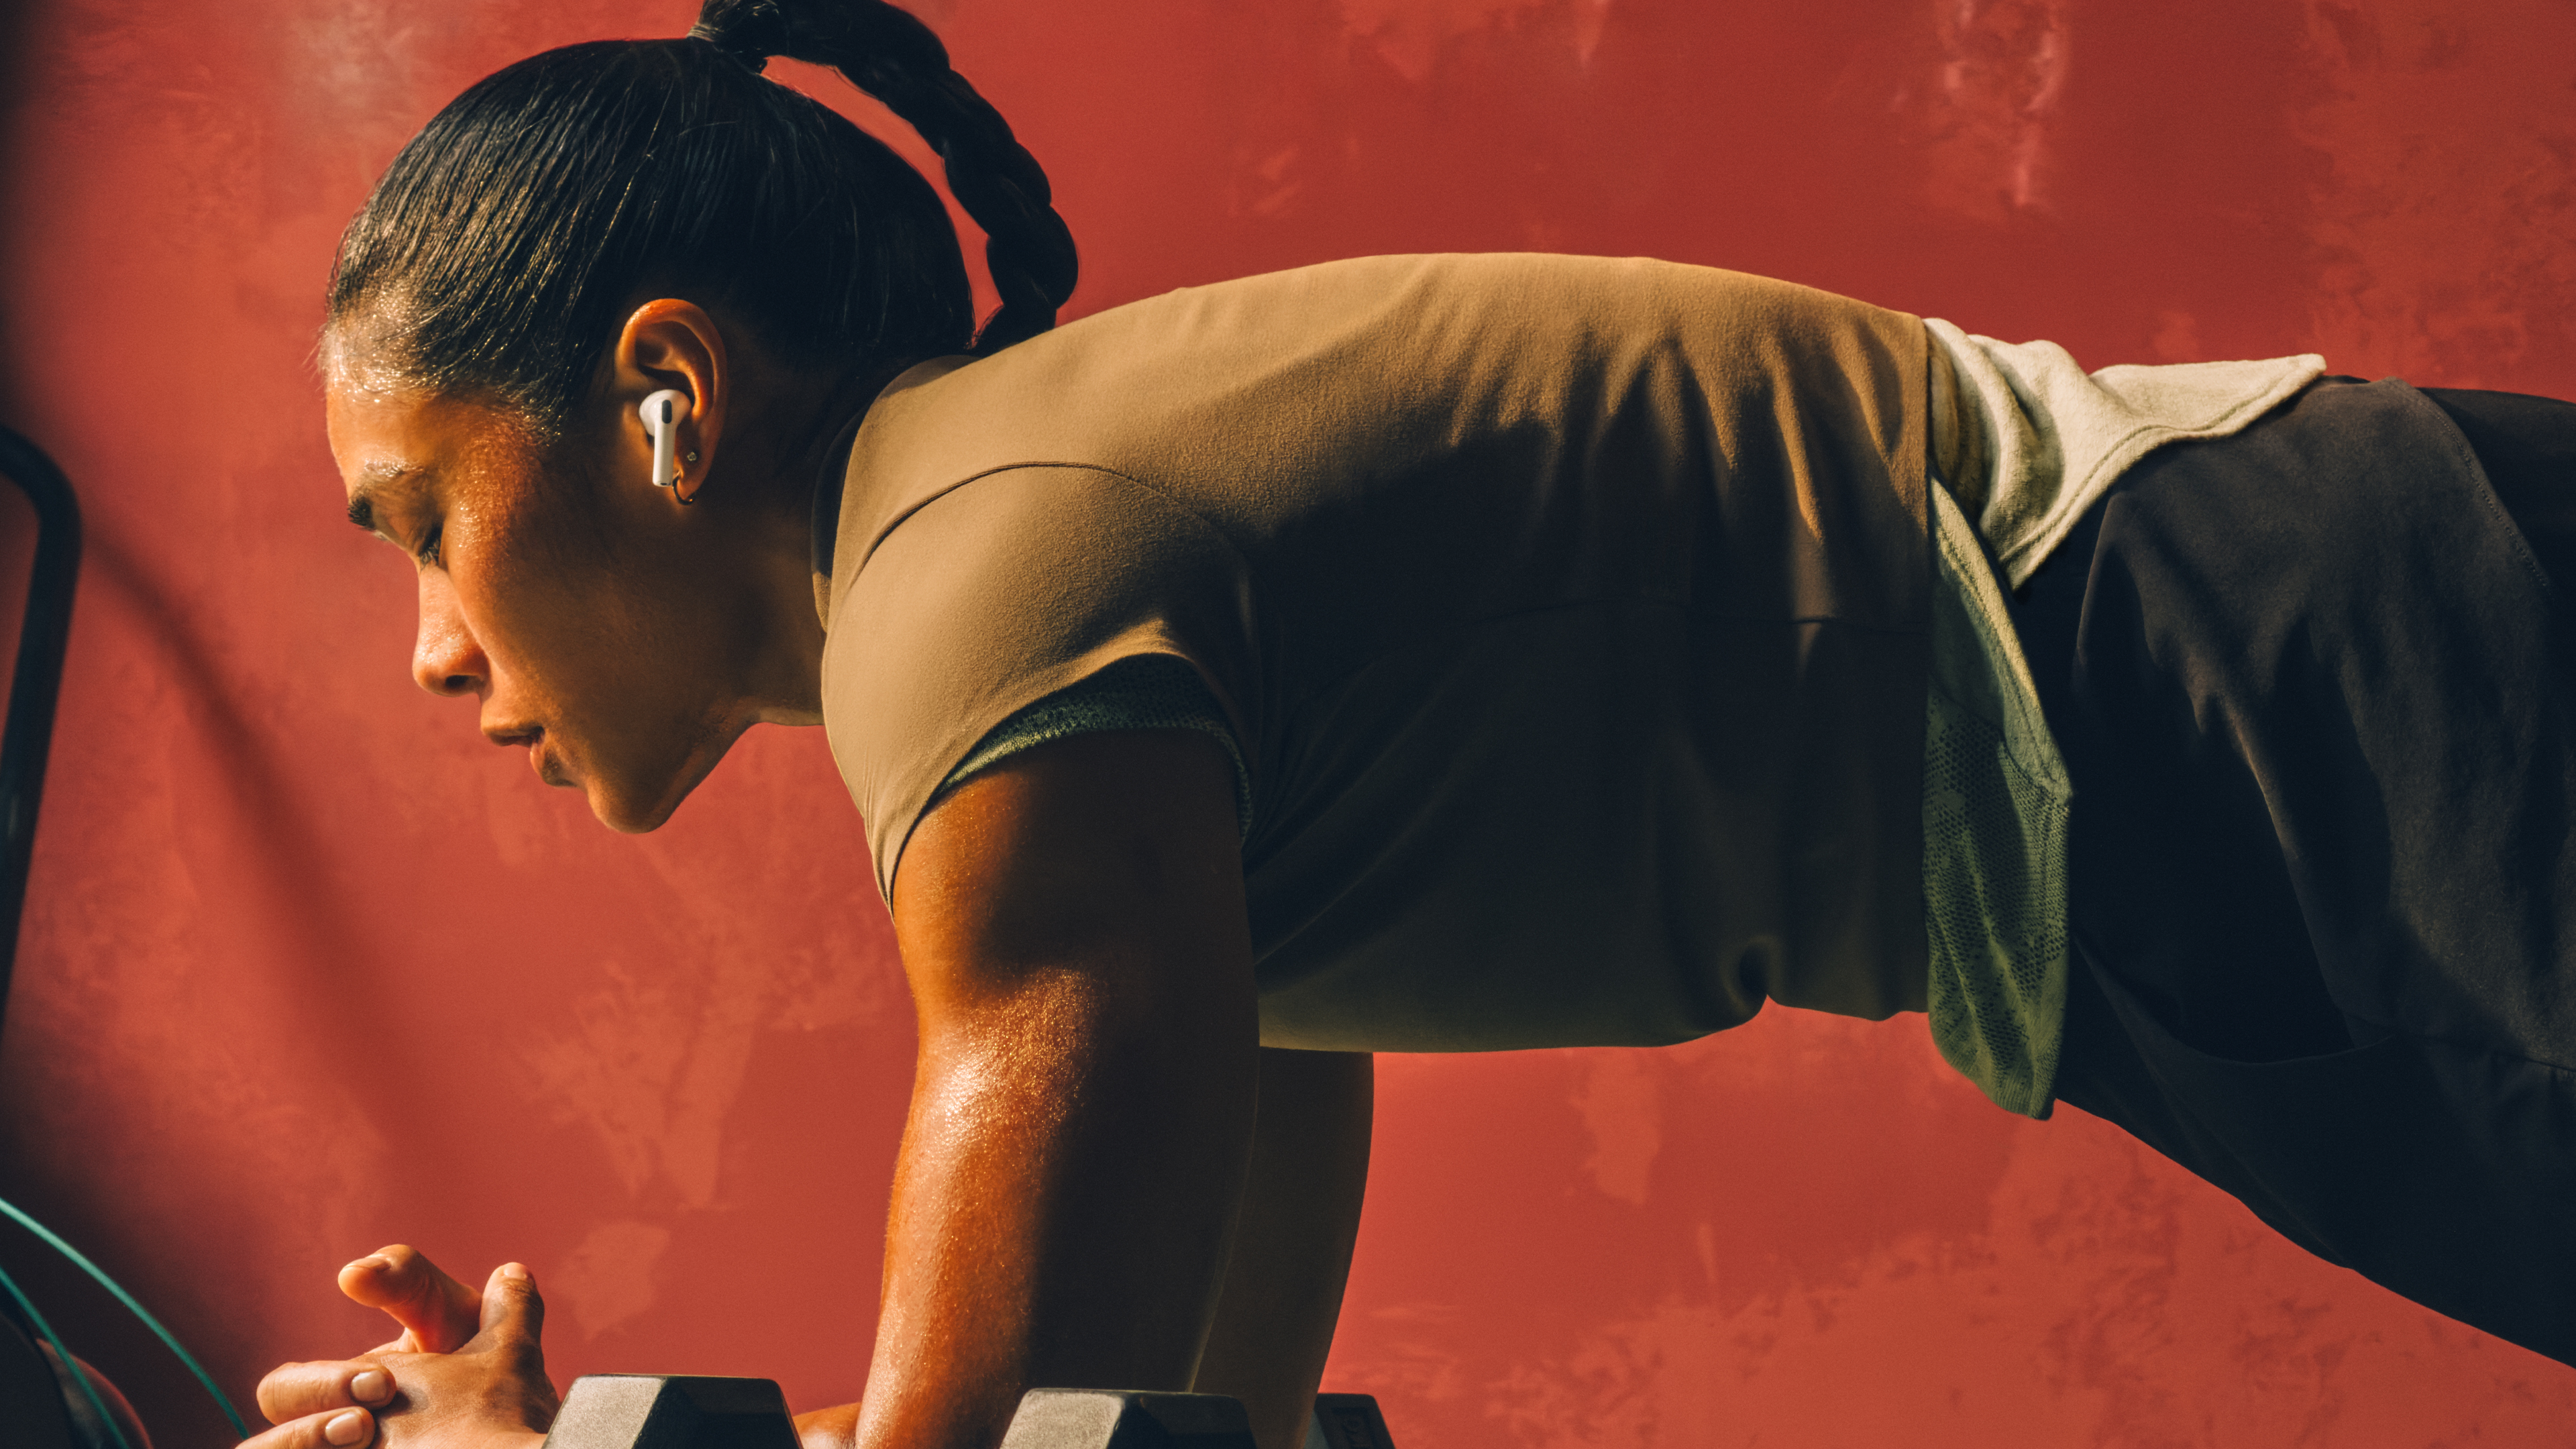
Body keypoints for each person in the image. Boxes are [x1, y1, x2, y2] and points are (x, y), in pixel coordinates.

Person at [243, 1, 2576, 1446]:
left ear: (665, 399)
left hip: (2286, 665)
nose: (436, 647)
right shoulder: (1094, 697)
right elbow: (1153, 1430)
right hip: (2198, 802)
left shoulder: (980, 601)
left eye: (421, 520)